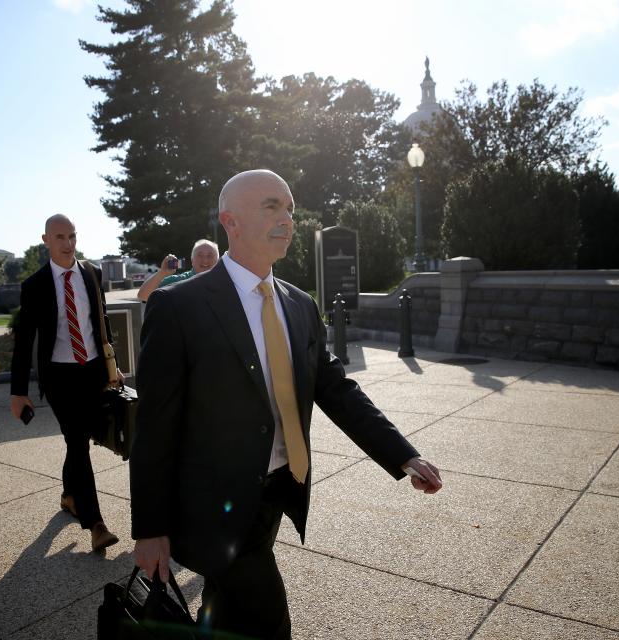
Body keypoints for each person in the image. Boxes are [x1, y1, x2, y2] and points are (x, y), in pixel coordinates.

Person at [130, 169, 443, 639]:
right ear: (230, 222)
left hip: (279, 489)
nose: (288, 219)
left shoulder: (299, 304)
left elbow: (336, 389)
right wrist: (149, 528)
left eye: (291, 208)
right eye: (271, 207)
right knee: (269, 619)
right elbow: (153, 426)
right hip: (214, 506)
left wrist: (401, 453)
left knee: (227, 606)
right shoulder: (179, 308)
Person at [10, 213, 124, 553]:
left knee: (80, 439)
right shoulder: (35, 285)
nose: (68, 243)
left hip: (91, 370)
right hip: (59, 375)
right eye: (60, 237)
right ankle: (96, 524)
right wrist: (19, 392)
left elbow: (101, 321)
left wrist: (111, 367)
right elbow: (23, 340)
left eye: (72, 236)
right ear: (46, 240)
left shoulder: (92, 273)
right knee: (77, 442)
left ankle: (69, 495)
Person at [135, 238, 219, 302]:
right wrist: (162, 273)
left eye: (210, 255)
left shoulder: (227, 280)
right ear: (192, 260)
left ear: (218, 260)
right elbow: (143, 296)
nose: (205, 260)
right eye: (200, 255)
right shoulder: (178, 281)